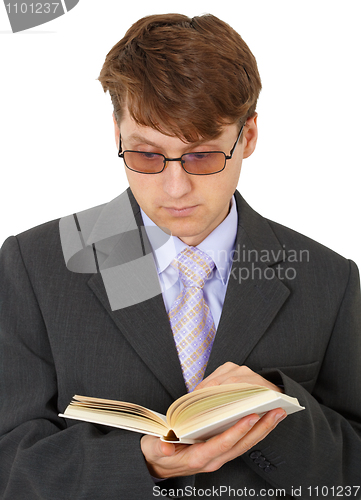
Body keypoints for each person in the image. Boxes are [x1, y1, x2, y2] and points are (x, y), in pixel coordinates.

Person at [0, 13, 360, 500]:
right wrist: (141, 463)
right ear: (117, 135)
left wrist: (274, 404)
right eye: (146, 155)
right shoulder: (35, 265)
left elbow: (353, 469)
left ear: (247, 136)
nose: (175, 188)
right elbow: (9, 461)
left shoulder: (329, 280)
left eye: (202, 156)